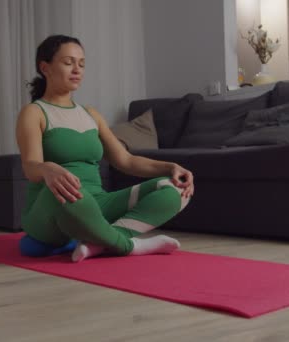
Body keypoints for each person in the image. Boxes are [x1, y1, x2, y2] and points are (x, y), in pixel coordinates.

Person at [16, 35, 194, 262]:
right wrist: (47, 169)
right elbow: (30, 167)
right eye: (68, 62)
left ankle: (99, 244)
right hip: (53, 208)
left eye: (81, 64)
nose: (77, 69)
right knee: (67, 193)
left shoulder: (91, 114)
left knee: (175, 189)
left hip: (97, 205)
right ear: (45, 67)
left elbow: (126, 161)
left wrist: (170, 167)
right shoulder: (34, 112)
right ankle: (129, 246)